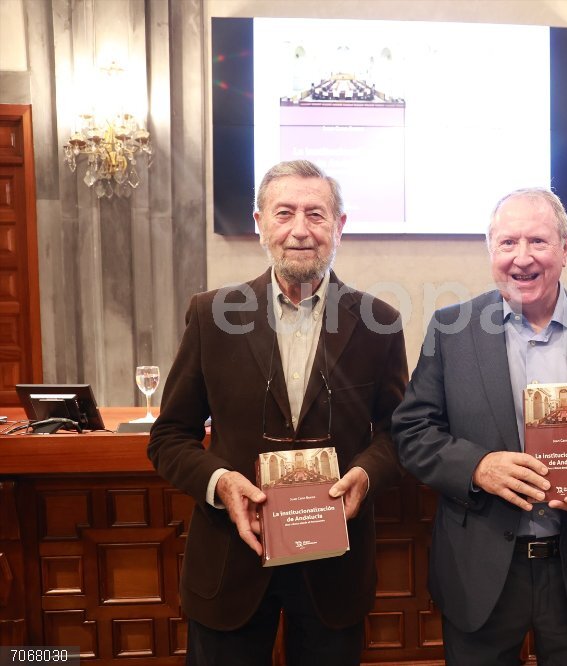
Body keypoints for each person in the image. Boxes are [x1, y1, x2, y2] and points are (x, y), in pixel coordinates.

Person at [148, 160, 407, 666]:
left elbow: (398, 433)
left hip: (335, 565)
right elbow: (170, 437)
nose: (300, 230)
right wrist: (220, 481)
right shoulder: (212, 315)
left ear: (340, 226)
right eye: (284, 213)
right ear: (259, 223)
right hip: (231, 560)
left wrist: (367, 473)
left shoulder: (380, 322)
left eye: (316, 214)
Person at [392, 188, 567, 665]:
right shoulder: (451, 329)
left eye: (537, 242)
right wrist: (477, 467)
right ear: (490, 252)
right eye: (507, 243)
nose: (522, 259)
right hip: (482, 571)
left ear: (564, 248)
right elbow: (413, 431)